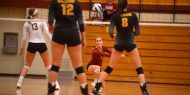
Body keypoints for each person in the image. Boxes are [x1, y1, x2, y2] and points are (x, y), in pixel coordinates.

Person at [91, 0, 150, 95]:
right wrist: (131, 35)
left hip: (119, 43)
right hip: (131, 43)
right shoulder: (134, 15)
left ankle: (96, 88)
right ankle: (144, 90)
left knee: (109, 68)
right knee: (139, 68)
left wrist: (114, 36)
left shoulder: (115, 15)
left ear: (118, 5)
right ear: (127, 4)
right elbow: (138, 32)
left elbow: (110, 31)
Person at [47, 0, 88, 95]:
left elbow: (50, 20)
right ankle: (85, 93)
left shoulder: (54, 2)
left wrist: (50, 26)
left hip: (59, 32)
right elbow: (81, 23)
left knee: (55, 65)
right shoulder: (77, 3)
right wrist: (84, 38)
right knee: (79, 67)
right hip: (73, 33)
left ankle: (50, 92)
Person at [16, 8, 60, 90]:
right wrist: (53, 44)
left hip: (31, 44)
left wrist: (22, 48)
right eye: (38, 13)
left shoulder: (26, 23)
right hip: (41, 44)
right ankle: (55, 84)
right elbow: (48, 34)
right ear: (36, 14)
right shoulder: (41, 21)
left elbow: (24, 38)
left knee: (27, 66)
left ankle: (19, 82)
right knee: (49, 66)